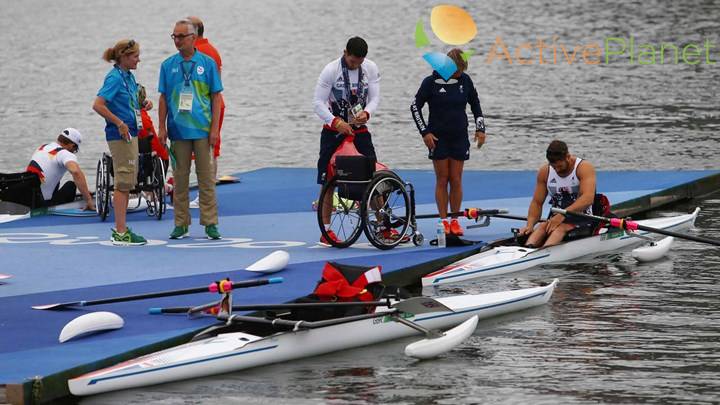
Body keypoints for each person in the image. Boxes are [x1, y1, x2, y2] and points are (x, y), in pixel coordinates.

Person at [158, 19, 223, 240]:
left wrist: (215, 129)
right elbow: (163, 98)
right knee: (180, 179)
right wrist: (161, 127)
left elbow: (216, 97)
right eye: (174, 36)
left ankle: (210, 223)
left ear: (192, 38)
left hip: (203, 130)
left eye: (181, 36)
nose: (177, 40)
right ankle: (181, 223)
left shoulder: (207, 63)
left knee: (206, 180)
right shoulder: (168, 65)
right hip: (177, 130)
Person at [411, 48, 486, 237]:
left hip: (459, 136)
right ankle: (443, 220)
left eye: (462, 70)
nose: (460, 73)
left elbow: (475, 104)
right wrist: (424, 133)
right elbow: (414, 107)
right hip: (438, 138)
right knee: (442, 179)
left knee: (456, 179)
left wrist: (480, 128)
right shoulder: (430, 82)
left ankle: (454, 220)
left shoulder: (465, 81)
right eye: (457, 70)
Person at [313, 36, 380, 244]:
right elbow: (317, 103)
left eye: (359, 62)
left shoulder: (370, 68)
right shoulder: (331, 70)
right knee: (327, 180)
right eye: (352, 62)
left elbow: (375, 98)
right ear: (345, 53)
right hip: (333, 131)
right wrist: (335, 122)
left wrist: (367, 113)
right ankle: (326, 232)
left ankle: (384, 226)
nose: (356, 65)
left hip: (359, 130)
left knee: (373, 174)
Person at [93, 39, 149, 246]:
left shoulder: (129, 77)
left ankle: (122, 228)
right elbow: (98, 105)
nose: (138, 60)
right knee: (123, 184)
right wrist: (118, 122)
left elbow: (132, 100)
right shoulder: (114, 78)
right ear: (124, 57)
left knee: (127, 183)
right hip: (120, 136)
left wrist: (144, 103)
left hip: (132, 134)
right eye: (135, 56)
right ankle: (121, 231)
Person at [519, 140, 598, 248]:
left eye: (559, 166)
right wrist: (530, 225)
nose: (556, 170)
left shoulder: (583, 168)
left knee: (559, 230)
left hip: (582, 217)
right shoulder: (544, 172)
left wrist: (563, 214)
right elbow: (537, 203)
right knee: (542, 226)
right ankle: (527, 250)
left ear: (568, 157)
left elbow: (587, 199)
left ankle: (544, 254)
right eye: (553, 167)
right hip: (557, 218)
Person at [0, 128, 94, 210]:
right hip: (40, 204)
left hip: (24, 197)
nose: (74, 152)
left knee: (54, 180)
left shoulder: (43, 147)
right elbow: (75, 172)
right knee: (71, 185)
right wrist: (88, 199)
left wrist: (84, 190)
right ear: (72, 145)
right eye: (75, 149)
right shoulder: (64, 153)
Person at [187, 16, 224, 182]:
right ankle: (208, 190)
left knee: (203, 150)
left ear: (193, 33)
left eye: (184, 33)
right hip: (213, 104)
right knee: (211, 150)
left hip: (204, 107)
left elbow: (191, 86)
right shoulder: (212, 50)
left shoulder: (197, 53)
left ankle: (205, 191)